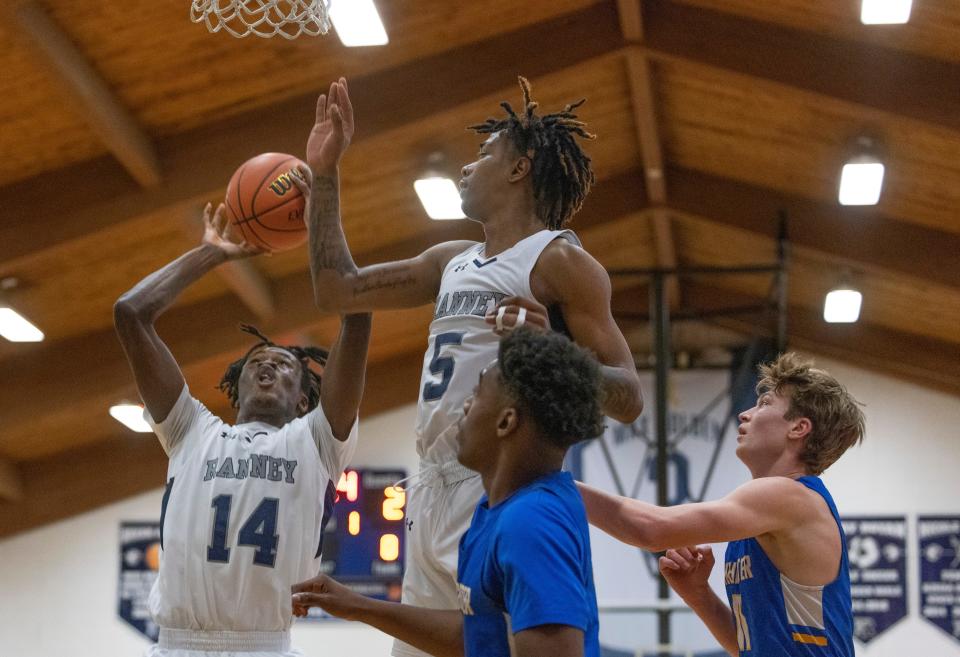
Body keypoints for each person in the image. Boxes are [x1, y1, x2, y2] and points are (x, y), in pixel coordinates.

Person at [299, 75, 643, 657]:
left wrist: (554, 346)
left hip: (494, 488)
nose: (466, 167)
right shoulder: (449, 261)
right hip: (428, 485)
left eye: (483, 154)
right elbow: (338, 291)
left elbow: (628, 397)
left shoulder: (560, 261)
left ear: (519, 169)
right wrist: (326, 173)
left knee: (502, 646)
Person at [113, 202, 372, 656]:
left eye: (287, 364)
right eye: (257, 361)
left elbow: (358, 313)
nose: (269, 362)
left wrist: (323, 232)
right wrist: (211, 255)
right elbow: (131, 313)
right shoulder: (189, 429)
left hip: (264, 646)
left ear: (305, 399)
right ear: (238, 382)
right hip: (179, 645)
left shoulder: (316, 442)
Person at [292, 328, 605, 657]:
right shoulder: (494, 512)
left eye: (477, 395)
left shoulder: (530, 522)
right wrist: (358, 606)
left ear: (506, 422)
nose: (465, 405)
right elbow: (477, 635)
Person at [577, 353, 865, 656]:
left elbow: (651, 529)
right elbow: (746, 647)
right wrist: (699, 594)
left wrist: (557, 485)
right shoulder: (769, 512)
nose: (745, 414)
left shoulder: (789, 497)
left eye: (765, 404)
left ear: (798, 428)